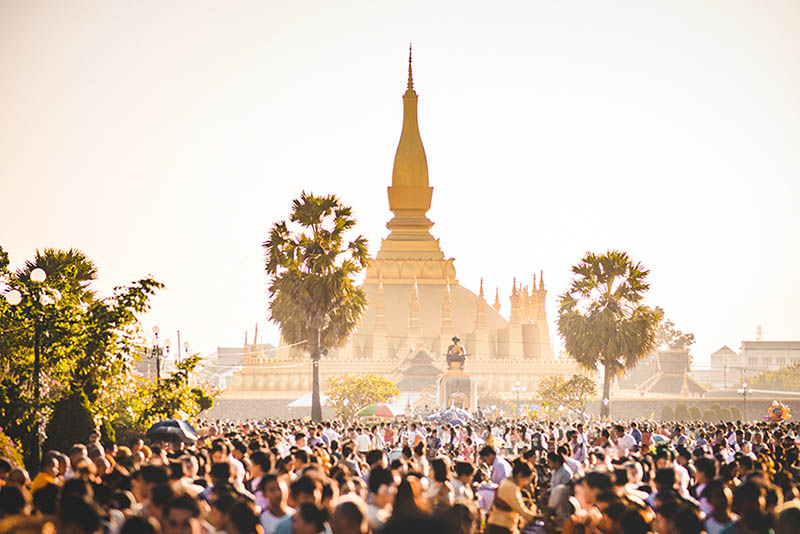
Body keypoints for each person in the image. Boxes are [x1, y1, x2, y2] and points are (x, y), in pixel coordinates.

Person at [486, 460, 538, 534]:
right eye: (526, 479)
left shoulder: (506, 482)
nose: (526, 483)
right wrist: (536, 517)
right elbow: (520, 509)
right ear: (520, 475)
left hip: (499, 524)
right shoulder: (511, 486)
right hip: (501, 526)